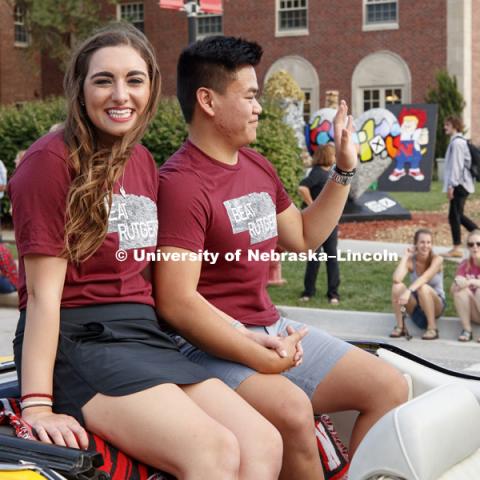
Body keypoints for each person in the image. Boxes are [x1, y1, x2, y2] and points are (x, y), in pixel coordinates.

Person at [8, 25, 283, 480]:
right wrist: (38, 405)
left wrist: (240, 331)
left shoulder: (140, 160)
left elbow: (159, 280)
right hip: (81, 342)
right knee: (213, 452)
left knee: (261, 442)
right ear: (80, 87)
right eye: (104, 80)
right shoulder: (50, 163)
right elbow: (41, 297)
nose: (121, 94)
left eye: (134, 80)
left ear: (151, 87)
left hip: (143, 335)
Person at [156, 36, 408, 479]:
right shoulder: (180, 184)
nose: (259, 107)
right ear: (207, 101)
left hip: (270, 326)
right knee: (293, 411)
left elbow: (306, 236)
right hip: (206, 346)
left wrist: (344, 169)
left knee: (389, 386)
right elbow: (176, 303)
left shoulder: (256, 166)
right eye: (250, 96)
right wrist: (259, 354)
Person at [298, 143, 340, 304]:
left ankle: (333, 293)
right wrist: (313, 205)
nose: (335, 157)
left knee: (331, 257)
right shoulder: (317, 173)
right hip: (316, 222)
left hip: (330, 222)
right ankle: (308, 292)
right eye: (333, 154)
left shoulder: (331, 173)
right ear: (327, 156)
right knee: (314, 258)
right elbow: (302, 188)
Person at [390, 229, 445, 340]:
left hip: (436, 306)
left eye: (428, 242)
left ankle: (432, 329)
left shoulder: (437, 259)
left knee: (423, 287)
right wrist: (405, 257)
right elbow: (396, 279)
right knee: (397, 287)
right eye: (422, 242)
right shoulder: (411, 261)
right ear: (416, 244)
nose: (425, 246)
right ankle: (400, 327)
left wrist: (408, 291)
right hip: (417, 308)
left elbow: (425, 278)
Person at [442, 115, 478, 258]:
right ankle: (477, 233)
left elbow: (456, 166)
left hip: (460, 185)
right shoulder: (458, 142)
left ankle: (456, 248)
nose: (445, 127)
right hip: (462, 184)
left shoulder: (457, 143)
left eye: (448, 125)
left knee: (454, 216)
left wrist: (452, 186)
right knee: (457, 215)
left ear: (455, 126)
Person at [452, 229, 480, 342]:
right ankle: (467, 330)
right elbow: (453, 290)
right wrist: (458, 284)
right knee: (460, 292)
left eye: (479, 244)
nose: (475, 247)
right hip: (475, 311)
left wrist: (471, 282)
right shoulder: (464, 265)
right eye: (471, 244)